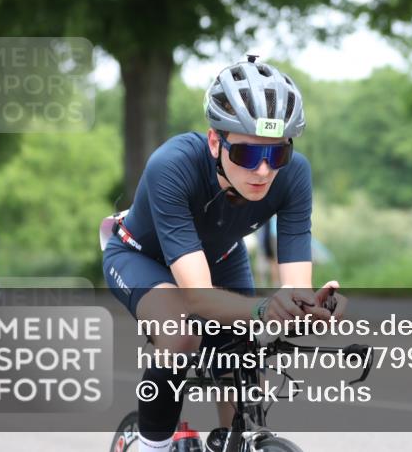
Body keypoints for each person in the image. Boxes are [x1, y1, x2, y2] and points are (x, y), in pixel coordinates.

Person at [101, 55, 346, 452]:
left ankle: (236, 441)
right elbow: (196, 298)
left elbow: (296, 287)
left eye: (277, 154)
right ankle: (151, 445)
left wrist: (309, 309)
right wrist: (263, 309)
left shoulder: (295, 175)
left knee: (243, 349)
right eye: (248, 155)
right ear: (215, 141)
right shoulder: (172, 165)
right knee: (182, 333)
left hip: (220, 257)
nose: (264, 171)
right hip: (141, 257)